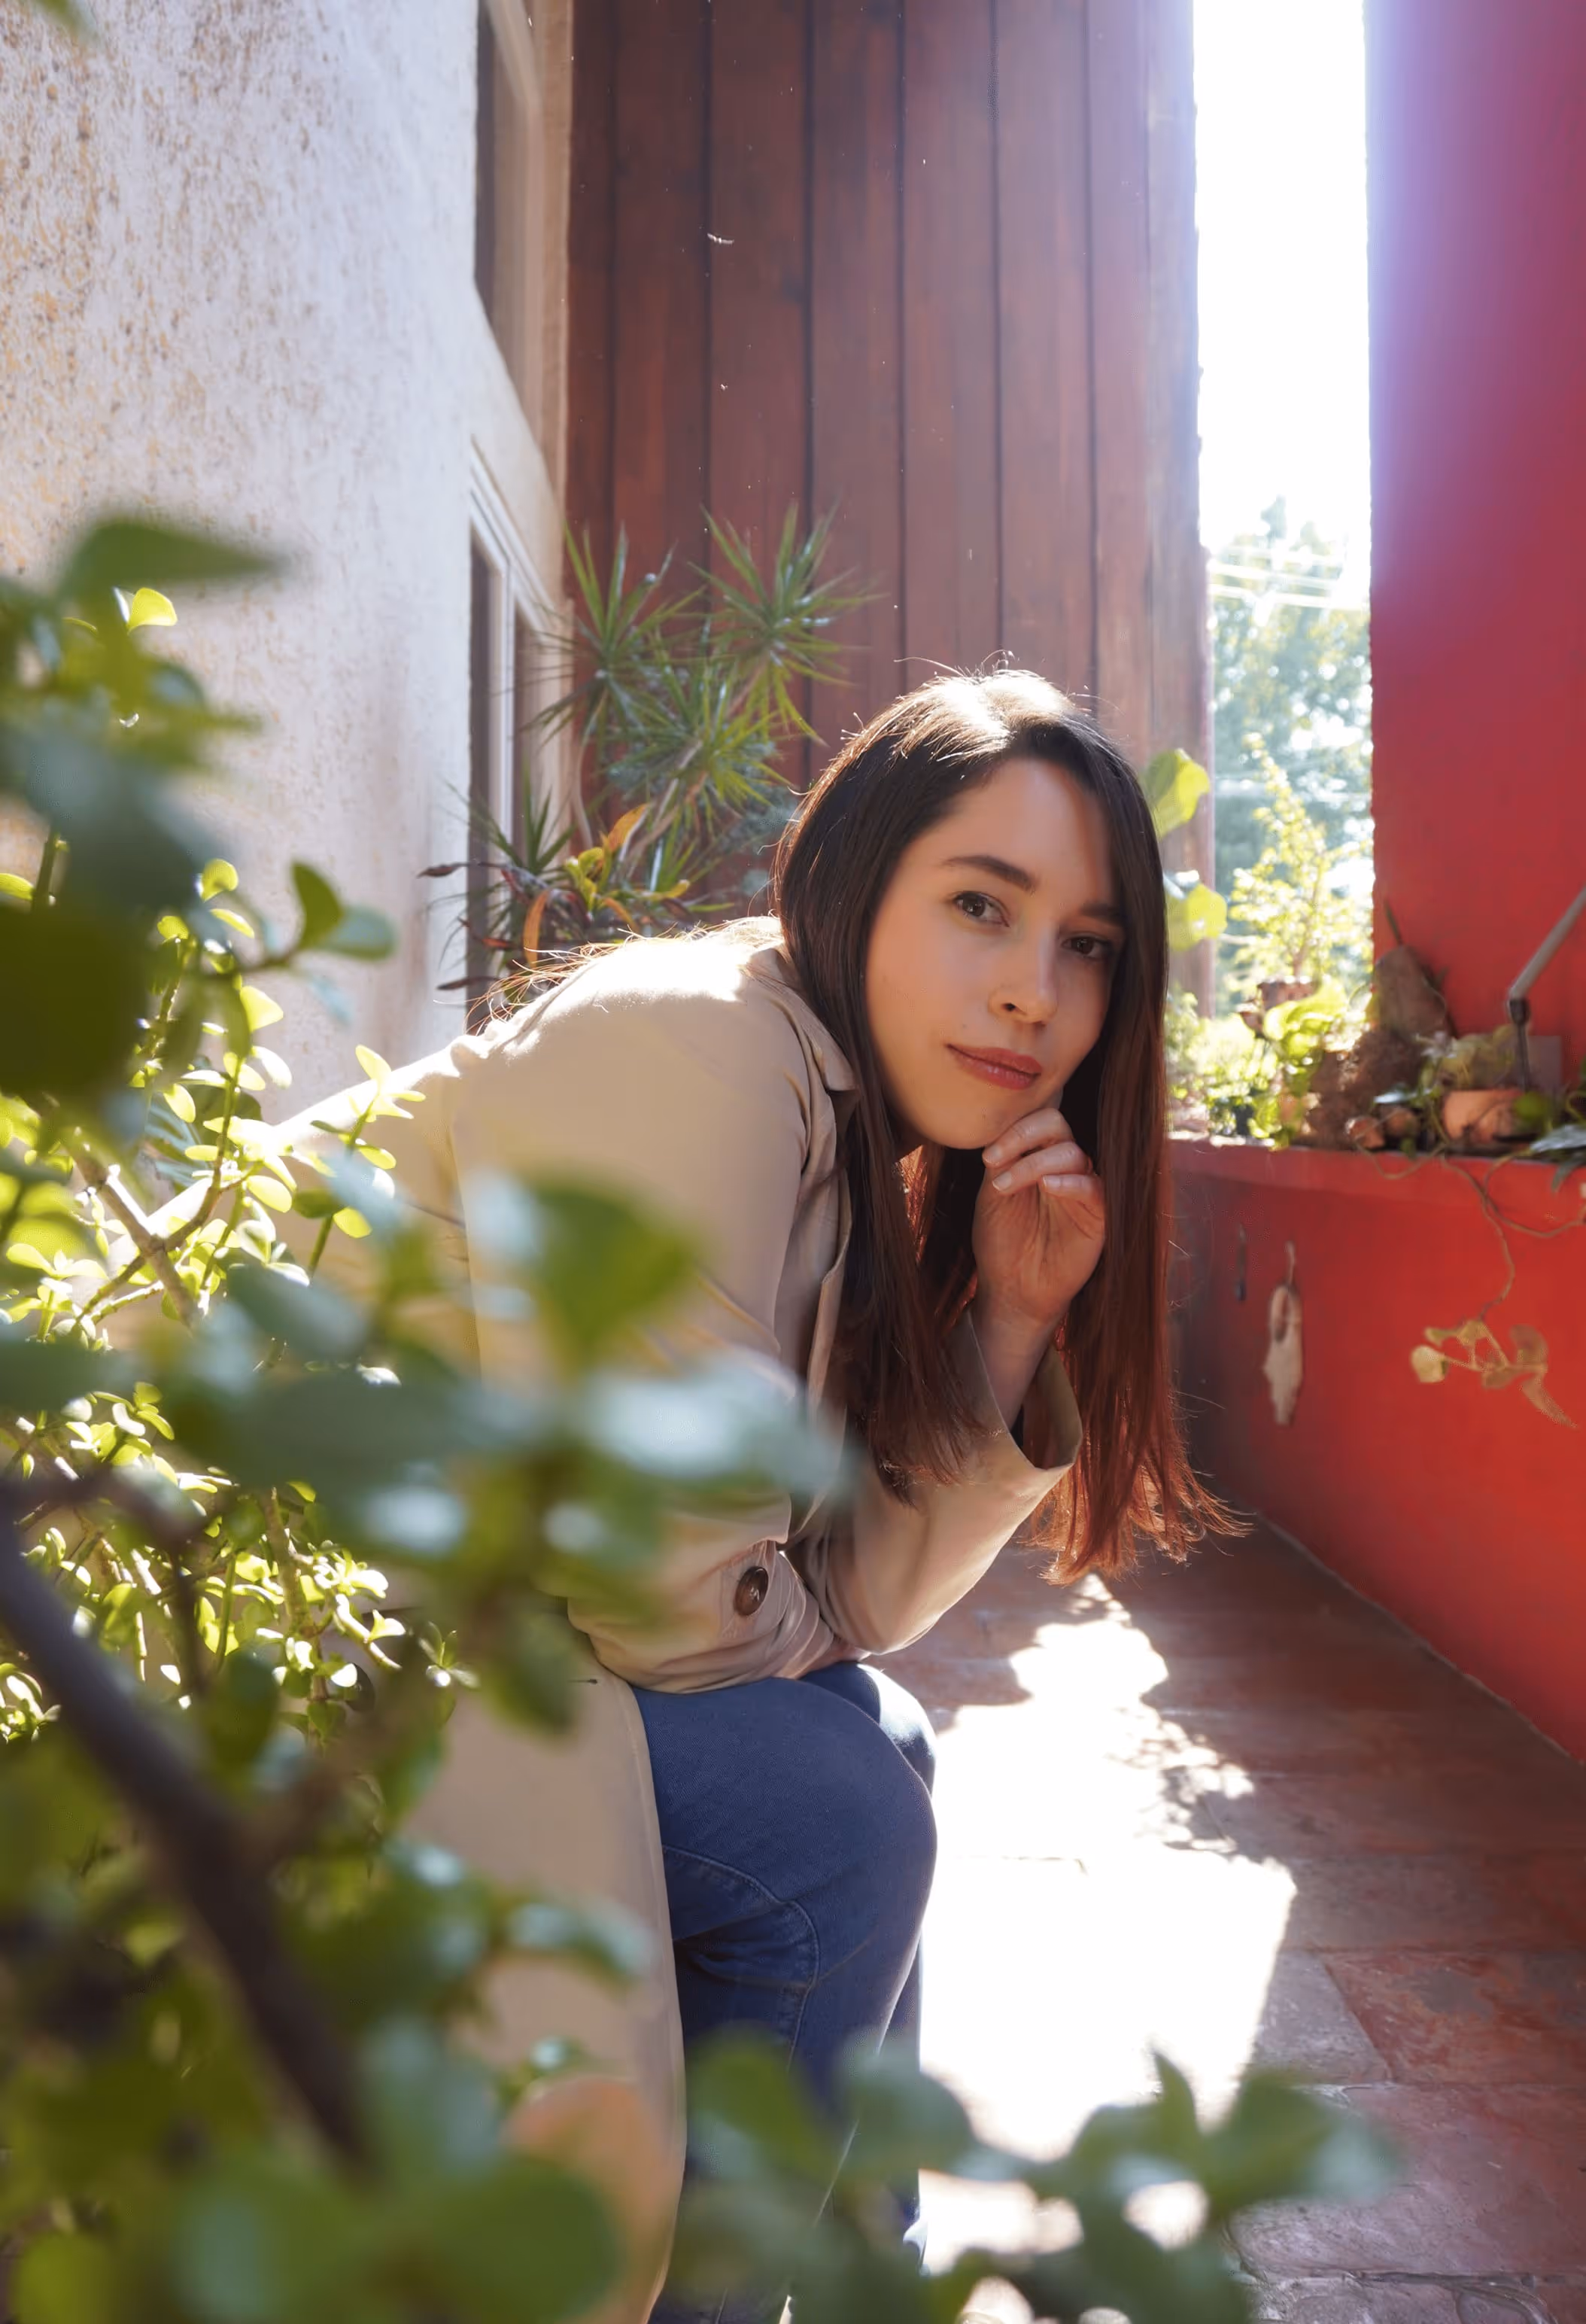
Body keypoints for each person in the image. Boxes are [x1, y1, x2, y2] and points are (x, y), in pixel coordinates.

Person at [282, 668, 1215, 2324]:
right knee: (835, 1810)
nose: (1031, 995)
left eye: (1085, 946)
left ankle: (854, 2279)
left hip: (457, 1585)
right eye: (982, 906)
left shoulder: (829, 1109)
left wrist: (1008, 1314)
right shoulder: (700, 1048)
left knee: (879, 1743)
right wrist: (781, 1632)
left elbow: (844, 1598)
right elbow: (681, 1601)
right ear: (858, 871)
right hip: (260, 1581)